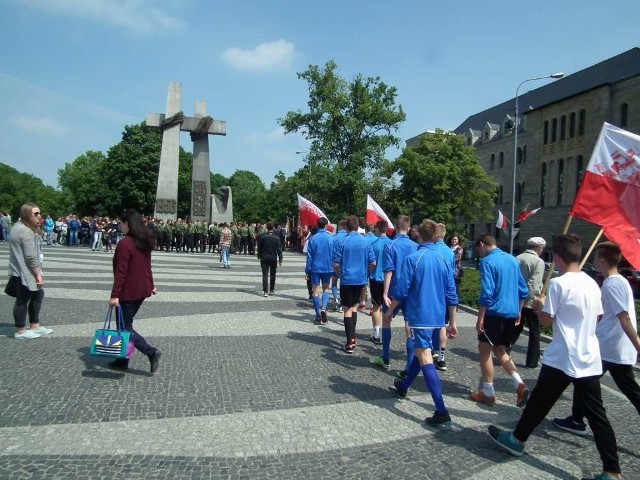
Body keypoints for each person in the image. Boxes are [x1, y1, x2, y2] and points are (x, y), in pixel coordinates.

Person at [488, 234, 624, 480]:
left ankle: (517, 440)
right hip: (588, 357)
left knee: (539, 402)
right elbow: (599, 317)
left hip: (562, 356)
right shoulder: (592, 282)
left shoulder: (560, 284)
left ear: (557, 258)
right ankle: (612, 470)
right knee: (596, 415)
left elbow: (546, 321)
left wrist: (539, 305)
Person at [553, 241, 640, 437]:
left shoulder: (612, 283)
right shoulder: (620, 281)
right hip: (613, 346)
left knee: (583, 378)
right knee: (628, 389)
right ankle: (576, 418)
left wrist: (638, 345)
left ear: (602, 260)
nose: (593, 261)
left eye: (595, 258)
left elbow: (623, 317)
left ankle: (576, 420)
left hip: (608, 346)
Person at [391, 219, 459, 426]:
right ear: (437, 236)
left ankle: (441, 409)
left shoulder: (414, 259)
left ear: (419, 235)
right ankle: (403, 386)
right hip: (438, 317)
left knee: (424, 355)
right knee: (422, 353)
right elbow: (451, 293)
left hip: (420, 316)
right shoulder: (443, 259)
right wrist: (452, 322)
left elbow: (402, 290)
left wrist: (390, 311)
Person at [471, 233, 530, 408]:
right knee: (501, 350)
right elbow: (523, 289)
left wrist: (480, 317)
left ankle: (488, 393)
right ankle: (519, 383)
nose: (479, 254)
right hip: (511, 313)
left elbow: (487, 292)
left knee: (484, 350)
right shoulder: (512, 260)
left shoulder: (487, 262)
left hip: (494, 313)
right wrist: (519, 311)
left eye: (478, 250)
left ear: (482, 244)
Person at [108, 209, 161, 373]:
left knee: (124, 328)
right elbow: (147, 266)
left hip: (128, 292)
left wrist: (115, 295)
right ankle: (122, 360)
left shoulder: (125, 243)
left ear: (127, 224)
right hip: (141, 290)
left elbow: (121, 272)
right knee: (126, 325)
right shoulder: (144, 241)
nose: (120, 226)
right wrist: (151, 285)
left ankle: (151, 352)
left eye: (121, 223)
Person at [375, 215, 417, 373]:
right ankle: (409, 365)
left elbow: (388, 271)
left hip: (394, 291)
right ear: (409, 226)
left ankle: (385, 357)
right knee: (409, 326)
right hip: (411, 292)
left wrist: (385, 293)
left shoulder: (390, 245)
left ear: (395, 226)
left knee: (386, 321)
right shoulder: (416, 246)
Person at [9, 203, 54, 339]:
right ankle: (20, 330)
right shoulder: (25, 231)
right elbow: (30, 256)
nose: (39, 216)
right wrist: (38, 276)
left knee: (37, 295)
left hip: (23, 270)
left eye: (39, 213)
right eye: (35, 214)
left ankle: (35, 325)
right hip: (25, 272)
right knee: (23, 300)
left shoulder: (20, 227)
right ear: (26, 215)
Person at [333, 215, 375, 353]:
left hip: (347, 279)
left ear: (347, 226)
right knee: (355, 307)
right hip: (360, 280)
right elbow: (373, 262)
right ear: (357, 226)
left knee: (347, 309)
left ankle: (349, 342)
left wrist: (340, 274)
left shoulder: (342, 241)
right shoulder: (365, 242)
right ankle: (353, 337)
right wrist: (366, 274)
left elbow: (335, 264)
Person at [511, 236, 546, 368]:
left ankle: (504, 351)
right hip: (531, 303)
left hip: (516, 299)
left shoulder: (517, 258)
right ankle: (532, 361)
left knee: (515, 329)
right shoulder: (538, 262)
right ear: (538, 248)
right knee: (534, 333)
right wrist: (527, 299)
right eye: (542, 248)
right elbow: (534, 284)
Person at [431, 223, 455, 371]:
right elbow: (451, 274)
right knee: (441, 325)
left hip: (433, 292)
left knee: (429, 325)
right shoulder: (450, 252)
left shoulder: (432, 250)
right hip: (446, 292)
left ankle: (429, 353)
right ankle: (441, 358)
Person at [305, 217, 334, 323]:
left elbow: (309, 256)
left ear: (317, 225)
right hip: (327, 267)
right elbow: (333, 254)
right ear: (326, 226)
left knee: (315, 291)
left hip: (315, 268)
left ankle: (318, 315)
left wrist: (307, 270)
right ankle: (324, 308)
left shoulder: (313, 238)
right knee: (326, 289)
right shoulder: (331, 238)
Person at [368, 220, 391, 343]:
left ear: (377, 229)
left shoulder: (374, 244)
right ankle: (386, 333)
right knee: (387, 308)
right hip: (389, 281)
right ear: (387, 229)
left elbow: (371, 262)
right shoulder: (392, 244)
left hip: (376, 279)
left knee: (376, 307)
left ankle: (376, 334)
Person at [257, 222, 283, 297]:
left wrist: (259, 255)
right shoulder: (276, 237)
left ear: (267, 228)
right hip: (273, 257)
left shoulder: (263, 236)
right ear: (273, 228)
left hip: (264, 256)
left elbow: (259, 247)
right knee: (273, 274)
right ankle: (272, 289)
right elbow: (279, 249)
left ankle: (265, 291)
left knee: (265, 274)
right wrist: (280, 259)